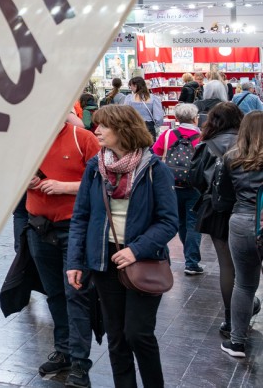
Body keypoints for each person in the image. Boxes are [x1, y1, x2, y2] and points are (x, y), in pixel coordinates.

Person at [66, 105, 178, 386]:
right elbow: (81, 217)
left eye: (105, 126)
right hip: (104, 260)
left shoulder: (154, 169)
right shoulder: (95, 168)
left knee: (138, 333)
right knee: (116, 337)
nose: (97, 130)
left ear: (124, 130)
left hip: (144, 260)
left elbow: (168, 221)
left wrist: (136, 249)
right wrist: (75, 262)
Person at [24, 120, 101, 386]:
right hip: (38, 226)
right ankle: (65, 350)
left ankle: (80, 361)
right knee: (55, 293)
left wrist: (63, 186)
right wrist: (27, 181)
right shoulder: (28, 140)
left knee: (75, 294)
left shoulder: (83, 138)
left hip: (74, 228)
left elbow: (103, 182)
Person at [192, 102, 245, 338]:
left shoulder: (207, 145)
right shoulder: (249, 142)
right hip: (249, 207)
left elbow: (195, 177)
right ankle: (245, 309)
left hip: (217, 209)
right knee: (248, 266)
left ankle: (230, 319)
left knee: (227, 265)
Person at [221, 111, 263, 358]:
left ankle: (237, 342)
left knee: (245, 284)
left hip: (241, 220)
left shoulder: (231, 157)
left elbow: (224, 194)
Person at [151, 102, 203, 275]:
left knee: (178, 221)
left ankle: (170, 256)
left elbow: (155, 155)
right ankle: (192, 262)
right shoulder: (202, 137)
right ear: (195, 119)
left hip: (171, 184)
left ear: (177, 118)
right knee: (193, 223)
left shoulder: (167, 135)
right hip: (194, 186)